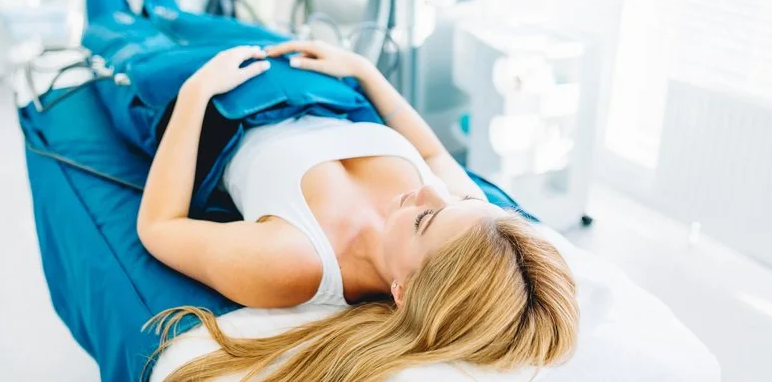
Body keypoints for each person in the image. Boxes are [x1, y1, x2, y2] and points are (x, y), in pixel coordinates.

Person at [137, 40, 579, 382]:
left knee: (126, 33)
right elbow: (432, 153)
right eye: (461, 201)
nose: (431, 189)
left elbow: (160, 226)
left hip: (230, 104)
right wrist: (364, 71)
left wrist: (194, 93)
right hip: (328, 83)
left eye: (425, 220)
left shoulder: (292, 262)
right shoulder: (468, 224)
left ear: (402, 290)